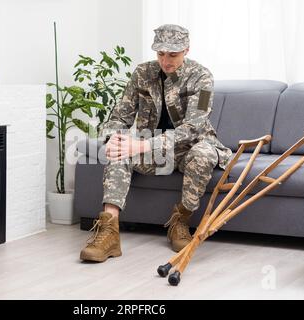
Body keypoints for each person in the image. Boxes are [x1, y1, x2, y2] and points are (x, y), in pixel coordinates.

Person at [80, 24, 233, 262]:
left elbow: (194, 126)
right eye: (161, 54)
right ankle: (109, 233)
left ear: (186, 50)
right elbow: (120, 116)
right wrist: (113, 138)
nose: (166, 60)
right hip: (155, 152)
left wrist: (143, 145)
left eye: (173, 54)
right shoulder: (142, 74)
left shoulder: (203, 78)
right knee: (120, 150)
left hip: (191, 146)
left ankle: (180, 221)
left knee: (203, 155)